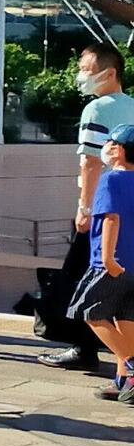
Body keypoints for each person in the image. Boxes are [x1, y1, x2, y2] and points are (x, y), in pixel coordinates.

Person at [41, 42, 134, 370]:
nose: (81, 76)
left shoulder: (95, 110)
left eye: (86, 70)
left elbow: (91, 164)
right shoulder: (132, 106)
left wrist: (84, 207)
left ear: (109, 74)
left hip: (105, 206)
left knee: (88, 278)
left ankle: (90, 351)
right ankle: (121, 363)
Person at [73, 129, 134, 398]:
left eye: (110, 142)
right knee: (125, 318)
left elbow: (111, 218)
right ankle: (124, 382)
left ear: (119, 150)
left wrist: (107, 259)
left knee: (89, 311)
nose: (106, 147)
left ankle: (132, 366)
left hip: (110, 263)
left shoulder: (111, 181)